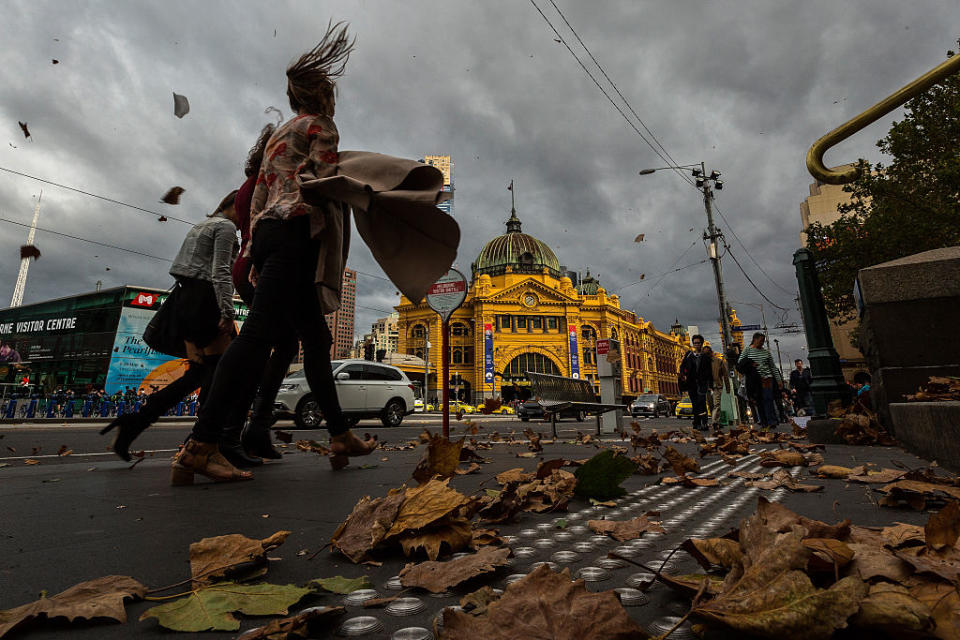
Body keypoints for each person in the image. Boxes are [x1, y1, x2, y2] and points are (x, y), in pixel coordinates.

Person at [177, 22, 458, 484]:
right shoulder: (320, 127)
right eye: (331, 95)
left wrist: (253, 252)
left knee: (316, 339)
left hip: (269, 237)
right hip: (296, 235)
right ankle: (202, 443)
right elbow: (326, 180)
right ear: (321, 96)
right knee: (258, 337)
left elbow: (262, 201)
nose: (333, 103)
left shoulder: (279, 135)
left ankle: (340, 434)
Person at [100, 190, 244, 466]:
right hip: (205, 300)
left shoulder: (200, 226)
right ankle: (205, 443)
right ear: (232, 205)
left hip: (185, 299)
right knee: (221, 371)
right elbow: (220, 272)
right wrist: (227, 311)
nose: (247, 217)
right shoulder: (225, 228)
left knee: (201, 373)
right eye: (246, 209)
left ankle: (136, 423)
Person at [230, 123, 297, 462]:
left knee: (281, 343)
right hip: (259, 268)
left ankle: (253, 427)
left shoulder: (247, 187)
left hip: (247, 267)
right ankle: (235, 430)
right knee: (260, 345)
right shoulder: (264, 184)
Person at [738, 332, 782, 430]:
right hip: (754, 380)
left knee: (768, 398)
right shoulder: (748, 350)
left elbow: (773, 367)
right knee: (759, 401)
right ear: (755, 339)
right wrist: (751, 364)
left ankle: (771, 421)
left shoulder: (766, 352)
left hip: (767, 378)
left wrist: (779, 380)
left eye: (763, 341)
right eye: (760, 340)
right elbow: (740, 362)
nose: (762, 343)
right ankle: (764, 421)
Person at [678, 334, 713, 430]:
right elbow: (682, 366)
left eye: (698, 343)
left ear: (701, 344)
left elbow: (709, 371)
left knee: (701, 402)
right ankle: (697, 422)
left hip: (702, 383)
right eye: (694, 343)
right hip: (691, 383)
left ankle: (704, 422)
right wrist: (683, 374)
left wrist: (710, 384)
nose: (696, 345)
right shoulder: (689, 355)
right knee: (695, 404)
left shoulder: (705, 357)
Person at [702, 345, 729, 429]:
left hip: (716, 385)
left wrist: (728, 387)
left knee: (716, 404)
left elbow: (725, 374)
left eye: (708, 353)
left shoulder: (718, 361)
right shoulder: (702, 362)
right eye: (705, 353)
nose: (707, 355)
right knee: (712, 405)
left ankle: (715, 421)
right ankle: (716, 421)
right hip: (706, 386)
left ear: (711, 352)